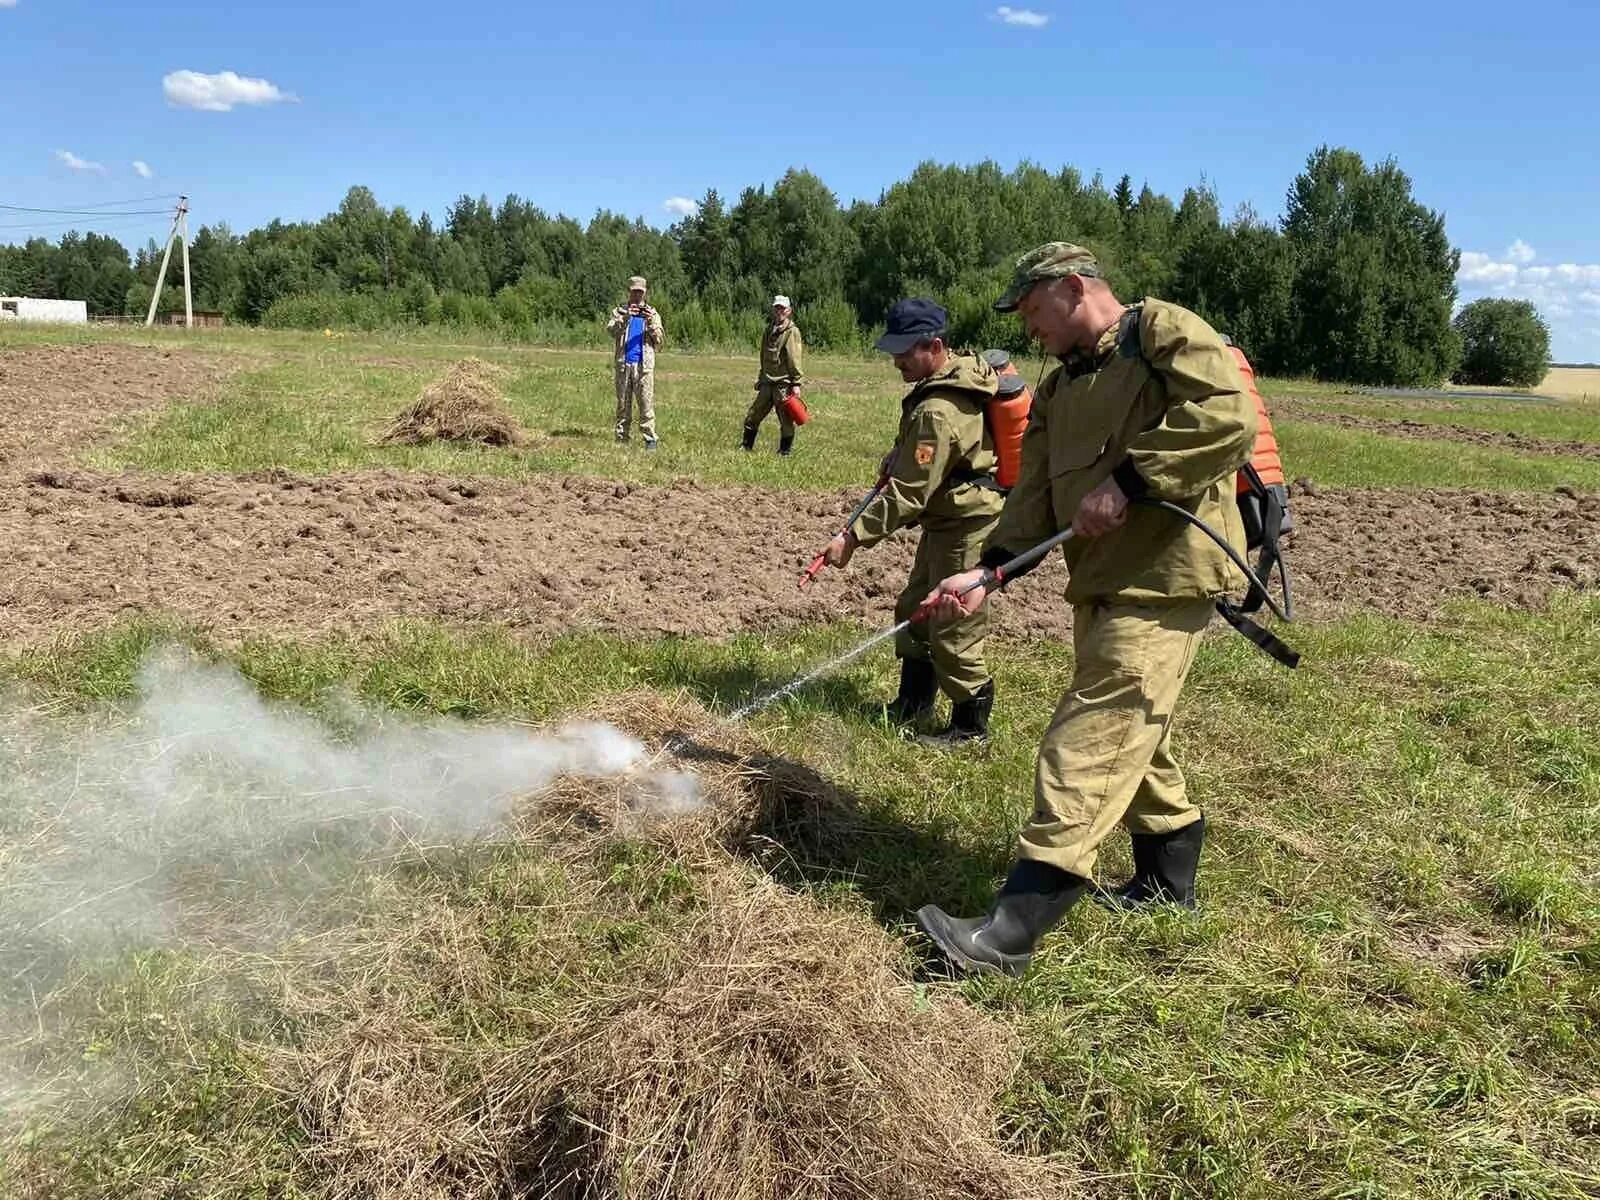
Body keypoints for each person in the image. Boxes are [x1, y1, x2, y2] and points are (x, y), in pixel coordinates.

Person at [914, 242, 1259, 977]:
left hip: (1165, 580)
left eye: (1034, 311)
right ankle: (1167, 880)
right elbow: (1033, 499)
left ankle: (1011, 930)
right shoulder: (1059, 391)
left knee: (1091, 737)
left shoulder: (1161, 331)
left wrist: (1130, 481)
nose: (1030, 330)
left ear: (1074, 289)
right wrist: (986, 572)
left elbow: (1228, 418)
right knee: (1137, 728)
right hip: (1098, 581)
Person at [821, 298, 1004, 746]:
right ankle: (914, 702)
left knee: (952, 621)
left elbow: (908, 494)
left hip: (965, 525)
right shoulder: (951, 379)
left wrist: (852, 538)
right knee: (915, 608)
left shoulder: (936, 411)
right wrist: (900, 453)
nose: (896, 360)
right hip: (949, 518)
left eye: (905, 351)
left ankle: (969, 726)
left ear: (935, 345)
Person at [606, 275, 664, 449]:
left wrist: (650, 323)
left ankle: (650, 439)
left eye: (640, 292)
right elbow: (611, 330)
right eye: (634, 292)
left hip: (644, 365)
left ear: (645, 293)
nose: (637, 296)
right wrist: (625, 319)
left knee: (646, 404)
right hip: (624, 364)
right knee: (623, 404)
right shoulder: (619, 312)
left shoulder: (652, 313)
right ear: (629, 292)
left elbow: (660, 339)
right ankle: (622, 438)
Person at [744, 295, 805, 455]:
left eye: (782, 308)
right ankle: (746, 446)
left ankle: (784, 452)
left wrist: (796, 383)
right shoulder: (768, 329)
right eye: (777, 308)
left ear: (789, 311)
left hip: (783, 384)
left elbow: (794, 358)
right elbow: (763, 356)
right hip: (767, 382)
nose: (779, 311)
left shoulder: (792, 332)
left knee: (786, 420)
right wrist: (760, 377)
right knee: (753, 414)